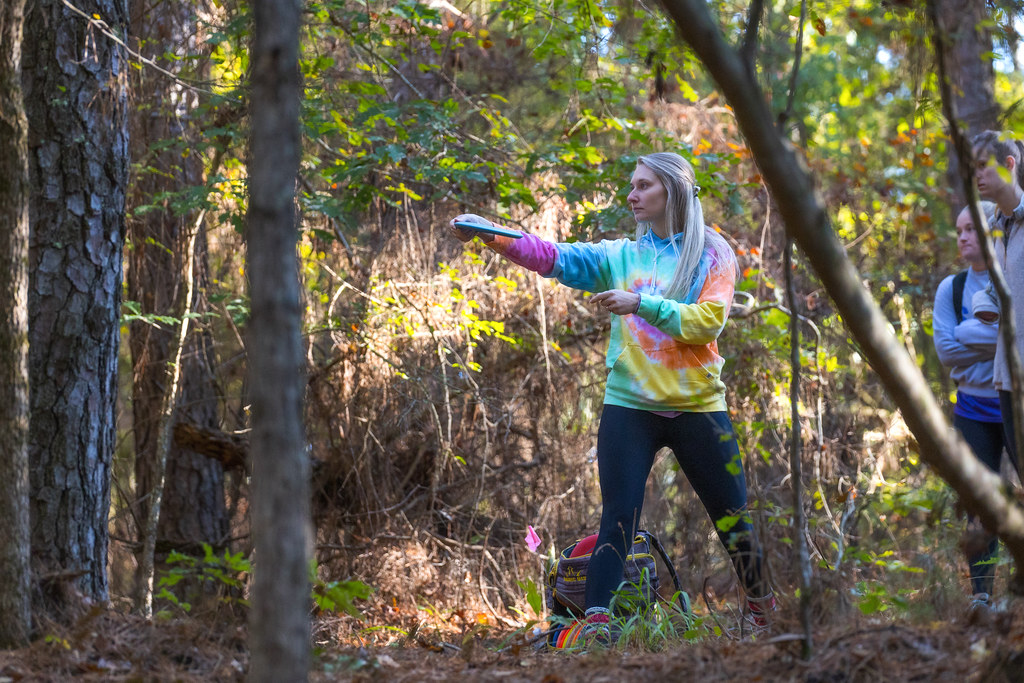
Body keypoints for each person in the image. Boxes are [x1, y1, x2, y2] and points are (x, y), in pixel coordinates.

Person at [448, 152, 773, 646]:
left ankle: (763, 606)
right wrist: (492, 234)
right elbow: (555, 257)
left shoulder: (713, 253)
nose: (632, 194)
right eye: (632, 186)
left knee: (733, 518)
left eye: (644, 186)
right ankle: (595, 624)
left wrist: (640, 303)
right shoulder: (622, 255)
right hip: (630, 405)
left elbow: (708, 322)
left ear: (673, 193)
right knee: (618, 515)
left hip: (698, 406)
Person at [932, 202, 1006, 611]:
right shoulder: (952, 288)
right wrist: (997, 338)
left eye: (971, 230)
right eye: (959, 230)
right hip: (973, 410)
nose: (962, 237)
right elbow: (946, 351)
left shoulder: (1014, 277)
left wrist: (969, 337)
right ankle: (982, 594)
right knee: (979, 504)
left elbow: (1020, 338)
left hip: (1014, 406)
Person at [972, 130, 1024, 468]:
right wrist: (985, 300)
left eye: (981, 166)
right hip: (1006, 377)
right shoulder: (995, 227)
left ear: (1009, 164)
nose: (974, 175)